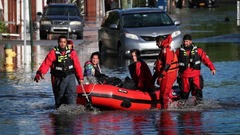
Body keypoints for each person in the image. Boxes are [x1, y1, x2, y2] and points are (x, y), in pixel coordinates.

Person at [34, 35, 84, 109]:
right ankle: (59, 111)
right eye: (61, 42)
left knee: (72, 94)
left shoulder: (72, 53)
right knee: (59, 97)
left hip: (70, 76)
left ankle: (72, 111)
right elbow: (46, 63)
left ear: (66, 43)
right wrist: (41, 73)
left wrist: (80, 78)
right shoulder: (53, 53)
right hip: (58, 78)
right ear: (58, 42)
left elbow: (77, 65)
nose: (62, 44)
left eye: (64, 42)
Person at [176, 34, 216, 105]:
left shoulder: (198, 50)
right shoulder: (178, 51)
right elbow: (173, 62)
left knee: (198, 96)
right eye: (185, 41)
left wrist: (212, 68)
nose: (186, 43)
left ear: (191, 41)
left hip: (196, 77)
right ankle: (183, 113)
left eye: (188, 41)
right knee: (183, 97)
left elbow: (206, 60)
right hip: (184, 78)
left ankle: (199, 110)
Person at [152, 35, 179, 109]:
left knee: (164, 94)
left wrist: (161, 75)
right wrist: (155, 77)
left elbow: (168, 64)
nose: (156, 44)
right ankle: (163, 108)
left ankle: (165, 111)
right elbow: (160, 65)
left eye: (157, 42)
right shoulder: (163, 50)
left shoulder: (167, 49)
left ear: (160, 42)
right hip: (165, 74)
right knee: (162, 93)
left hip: (169, 74)